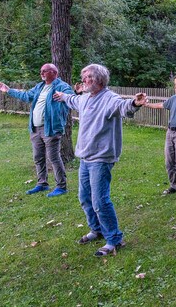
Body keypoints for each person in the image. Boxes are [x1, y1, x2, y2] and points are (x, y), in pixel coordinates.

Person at [53, 64, 147, 257]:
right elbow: (72, 100)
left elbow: (124, 107)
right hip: (85, 157)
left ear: (99, 80)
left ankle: (114, 239)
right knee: (85, 198)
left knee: (100, 201)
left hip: (101, 158)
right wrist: (62, 96)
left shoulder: (110, 99)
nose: (84, 80)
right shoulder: (85, 98)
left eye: (87, 77)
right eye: (83, 77)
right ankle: (97, 229)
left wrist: (135, 104)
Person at [0, 63, 73, 197]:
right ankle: (42, 184)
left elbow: (72, 99)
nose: (41, 73)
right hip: (35, 128)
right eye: (41, 71)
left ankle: (61, 186)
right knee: (38, 157)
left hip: (51, 129)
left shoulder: (63, 87)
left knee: (53, 158)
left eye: (44, 71)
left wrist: (67, 96)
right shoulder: (40, 86)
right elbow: (26, 96)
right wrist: (8, 90)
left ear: (54, 72)